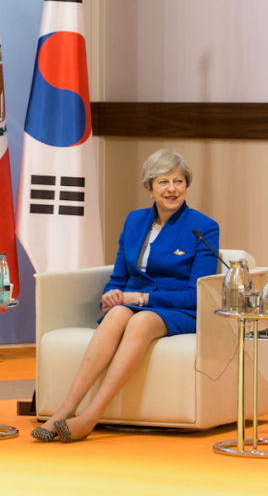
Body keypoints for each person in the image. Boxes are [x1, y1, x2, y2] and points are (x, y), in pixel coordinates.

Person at [32, 149, 219, 443]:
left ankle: (91, 416)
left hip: (180, 310)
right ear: (149, 189)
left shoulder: (203, 227)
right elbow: (118, 278)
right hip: (133, 305)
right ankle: (65, 409)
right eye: (163, 182)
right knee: (119, 312)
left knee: (141, 321)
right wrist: (112, 295)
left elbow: (197, 295)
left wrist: (141, 299)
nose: (172, 189)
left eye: (179, 181)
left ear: (186, 185)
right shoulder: (134, 221)